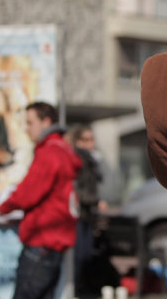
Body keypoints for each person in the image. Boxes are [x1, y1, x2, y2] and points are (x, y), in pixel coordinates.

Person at [0, 102, 82, 299]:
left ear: (46, 122)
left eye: (30, 122)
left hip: (42, 241)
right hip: (54, 241)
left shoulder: (49, 152)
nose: (26, 128)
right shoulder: (64, 150)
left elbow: (27, 193)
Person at [68, 124, 104, 294]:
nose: (91, 143)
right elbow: (76, 189)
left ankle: (80, 288)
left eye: (92, 139)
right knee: (79, 256)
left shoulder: (91, 160)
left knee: (86, 255)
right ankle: (75, 289)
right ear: (78, 141)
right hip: (77, 214)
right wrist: (95, 201)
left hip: (87, 215)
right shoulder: (77, 159)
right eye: (86, 139)